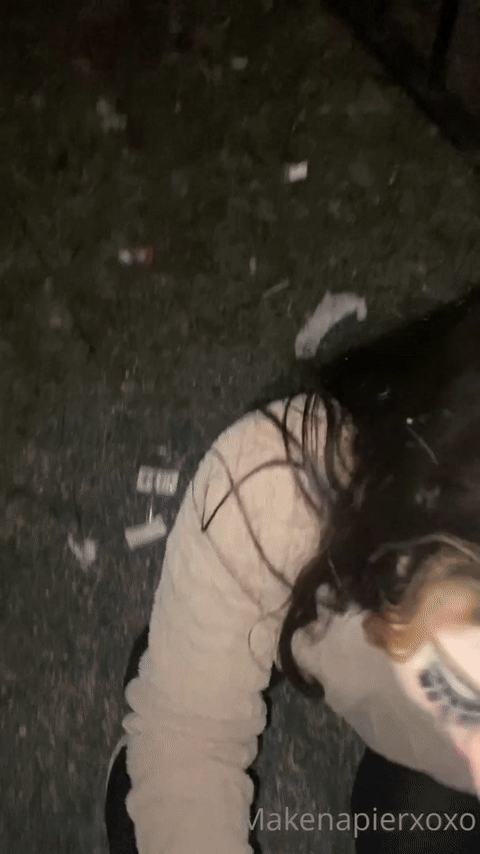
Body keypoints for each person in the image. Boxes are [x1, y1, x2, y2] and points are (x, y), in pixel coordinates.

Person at [105, 285, 480, 854]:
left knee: (408, 828)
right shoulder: (279, 492)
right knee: (172, 750)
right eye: (461, 692)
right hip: (324, 551)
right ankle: (254, 627)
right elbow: (186, 742)